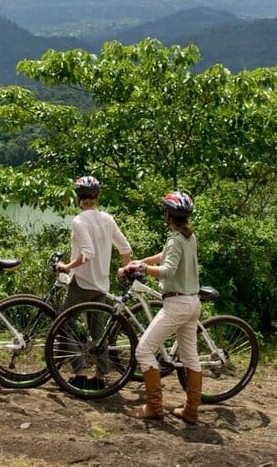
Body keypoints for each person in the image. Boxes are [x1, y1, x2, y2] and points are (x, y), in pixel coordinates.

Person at [120, 190, 202, 424]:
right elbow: (166, 256)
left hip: (176, 304)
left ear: (168, 215)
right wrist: (142, 261)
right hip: (192, 302)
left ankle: (154, 406)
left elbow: (167, 270)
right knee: (190, 358)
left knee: (143, 350)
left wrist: (143, 270)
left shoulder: (175, 239)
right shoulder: (188, 236)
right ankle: (191, 411)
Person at [53, 175, 132, 389]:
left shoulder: (80, 221)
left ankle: (80, 372)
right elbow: (126, 249)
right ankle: (100, 378)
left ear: (78, 198)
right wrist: (127, 270)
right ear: (96, 197)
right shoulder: (107, 219)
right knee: (98, 334)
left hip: (82, 285)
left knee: (62, 326)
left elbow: (88, 253)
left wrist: (66, 267)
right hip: (101, 286)